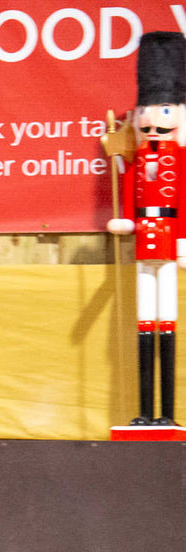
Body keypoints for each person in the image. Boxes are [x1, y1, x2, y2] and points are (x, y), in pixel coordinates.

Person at [107, 30, 184, 426]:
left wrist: (184, 241)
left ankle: (167, 413)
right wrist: (126, 222)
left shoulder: (179, 162)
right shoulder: (136, 163)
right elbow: (131, 201)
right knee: (143, 321)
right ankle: (143, 413)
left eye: (166, 110)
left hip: (170, 248)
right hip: (143, 247)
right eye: (148, 112)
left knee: (167, 319)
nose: (154, 121)